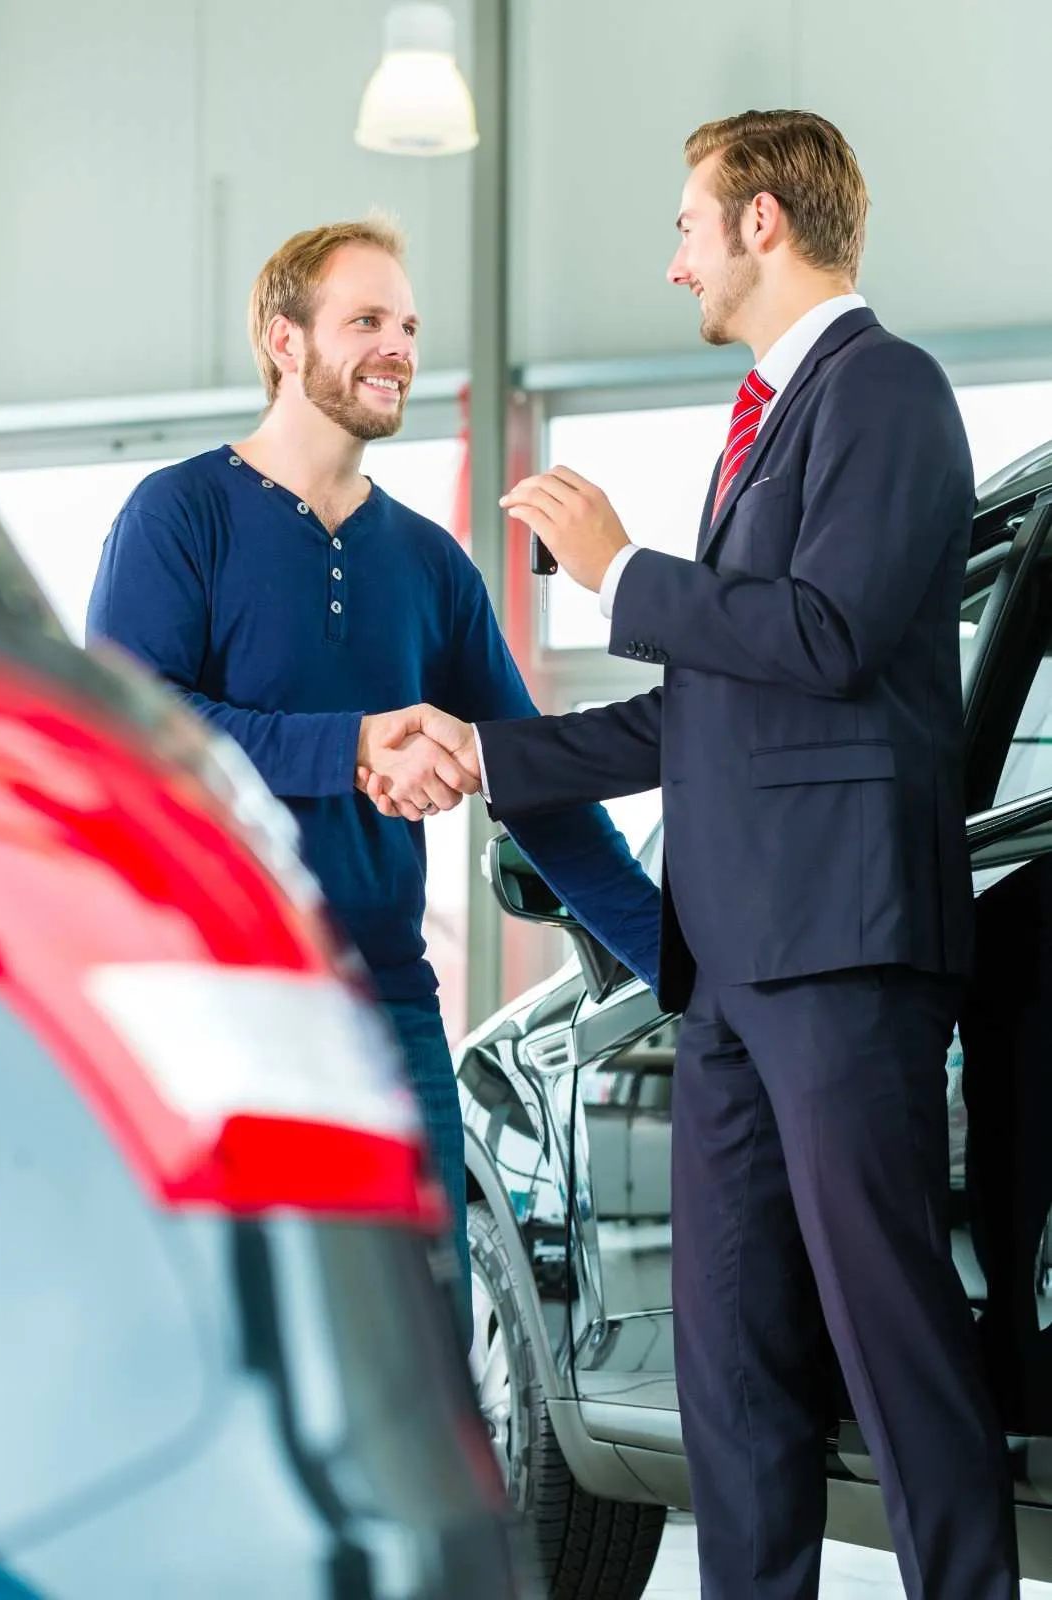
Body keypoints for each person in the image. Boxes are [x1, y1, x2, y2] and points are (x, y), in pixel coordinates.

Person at [360, 113, 1020, 1597]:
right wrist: (481, 753)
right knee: (726, 1367)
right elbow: (714, 703)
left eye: (683, 226)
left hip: (842, 955)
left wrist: (617, 570)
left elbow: (823, 637)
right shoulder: (762, 427)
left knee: (891, 1344)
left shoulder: (885, 395)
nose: (671, 263)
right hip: (721, 974)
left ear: (762, 224)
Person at [86, 217, 661, 1352]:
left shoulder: (431, 567)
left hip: (391, 1013)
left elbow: (533, 783)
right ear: (283, 340)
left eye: (406, 325)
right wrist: (350, 747)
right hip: (222, 1009)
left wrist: (683, 963)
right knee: (242, 1362)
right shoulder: (178, 516)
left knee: (417, 1366)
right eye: (366, 321)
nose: (397, 346)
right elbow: (133, 736)